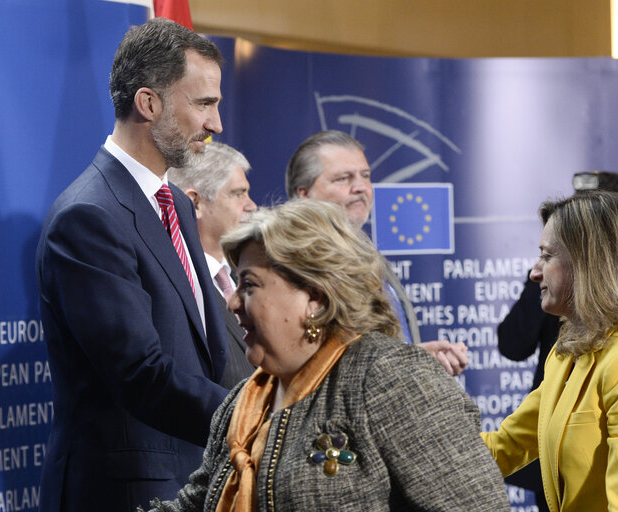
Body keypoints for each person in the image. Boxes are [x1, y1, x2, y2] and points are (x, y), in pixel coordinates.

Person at [140, 199, 512, 511]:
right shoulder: (245, 401)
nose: (234, 301)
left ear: (315, 298)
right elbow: (193, 505)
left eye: (249, 285)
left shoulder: (391, 380)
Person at [35, 18, 229, 512]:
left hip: (195, 479)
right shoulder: (89, 216)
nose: (216, 124)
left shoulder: (177, 203)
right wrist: (254, 414)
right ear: (148, 103)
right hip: (127, 493)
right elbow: (140, 373)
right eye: (204, 104)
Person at [497, 171, 618, 511]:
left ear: (588, 264)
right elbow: (506, 445)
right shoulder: (565, 354)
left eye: (547, 255)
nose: (534, 272)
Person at [286, 130, 468, 376]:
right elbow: (316, 363)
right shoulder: (295, 265)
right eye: (343, 179)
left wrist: (416, 356)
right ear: (304, 194)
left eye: (365, 176)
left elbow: (371, 352)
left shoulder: (367, 253)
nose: (360, 187)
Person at [169, 142, 257, 388]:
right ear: (194, 204)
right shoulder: (174, 287)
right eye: (238, 194)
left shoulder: (247, 277)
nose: (251, 205)